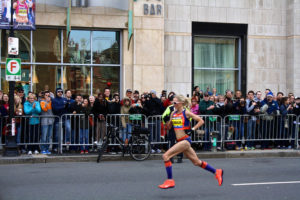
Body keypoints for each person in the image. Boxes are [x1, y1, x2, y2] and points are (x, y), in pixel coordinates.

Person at [158, 95, 223, 189]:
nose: (173, 104)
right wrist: (167, 120)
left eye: (175, 102)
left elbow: (201, 121)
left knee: (165, 156)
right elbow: (169, 127)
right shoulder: (173, 113)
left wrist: (192, 129)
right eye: (173, 102)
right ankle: (216, 171)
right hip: (180, 141)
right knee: (196, 162)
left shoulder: (186, 113)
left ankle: (170, 180)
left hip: (185, 141)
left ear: (181, 103)